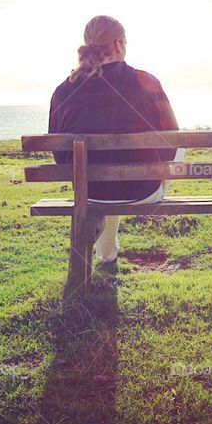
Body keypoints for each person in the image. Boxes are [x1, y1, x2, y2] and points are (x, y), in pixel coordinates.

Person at [48, 15, 182, 265]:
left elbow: (59, 155)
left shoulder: (63, 91)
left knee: (102, 179)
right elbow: (171, 142)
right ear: (119, 44)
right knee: (178, 143)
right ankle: (108, 252)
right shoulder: (146, 82)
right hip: (142, 191)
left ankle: (106, 254)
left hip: (88, 192)